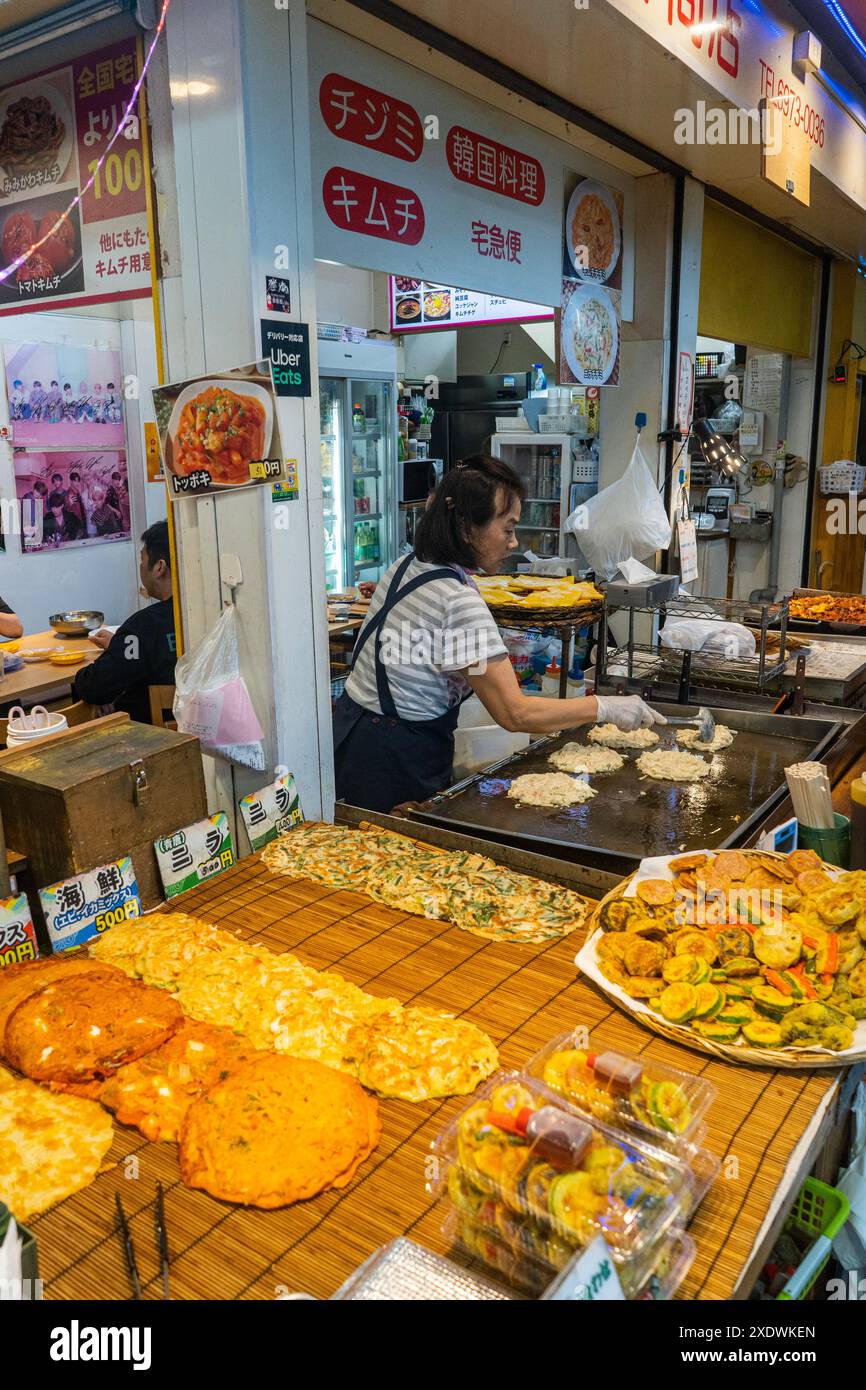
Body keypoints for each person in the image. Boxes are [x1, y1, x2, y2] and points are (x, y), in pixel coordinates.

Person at [334, 454, 664, 813]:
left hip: (353, 736)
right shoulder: (458, 600)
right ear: (465, 527)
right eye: (507, 528)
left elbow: (429, 653)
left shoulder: (407, 565)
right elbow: (514, 714)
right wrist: (604, 707)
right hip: (398, 761)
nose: (513, 542)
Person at [73, 521, 177, 723]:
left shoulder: (142, 627)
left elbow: (92, 687)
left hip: (150, 739)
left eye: (142, 559)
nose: (140, 566)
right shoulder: (205, 612)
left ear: (159, 567)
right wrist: (119, 645)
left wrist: (121, 647)